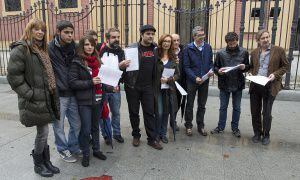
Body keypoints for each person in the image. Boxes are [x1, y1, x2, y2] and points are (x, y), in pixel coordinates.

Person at [7, 18, 60, 177]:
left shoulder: (42, 49)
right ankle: (39, 164)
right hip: (35, 98)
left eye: (42, 30)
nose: (40, 32)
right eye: (36, 29)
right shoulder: (22, 49)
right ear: (29, 30)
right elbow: (14, 77)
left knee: (44, 130)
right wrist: (30, 94)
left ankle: (46, 161)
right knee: (43, 131)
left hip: (47, 96)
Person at [68, 35, 110, 167]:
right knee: (85, 130)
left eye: (92, 44)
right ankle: (86, 153)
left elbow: (103, 80)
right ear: (82, 46)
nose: (90, 47)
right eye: (86, 44)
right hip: (84, 101)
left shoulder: (98, 61)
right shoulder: (77, 62)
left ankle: (96, 150)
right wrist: (90, 82)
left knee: (95, 127)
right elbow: (73, 83)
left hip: (98, 99)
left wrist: (110, 86)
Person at [123, 24, 162, 150]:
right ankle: (136, 135)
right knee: (134, 112)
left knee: (149, 113)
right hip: (132, 86)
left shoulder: (156, 48)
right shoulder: (131, 48)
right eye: (148, 34)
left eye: (152, 34)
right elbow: (124, 68)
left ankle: (152, 139)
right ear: (141, 35)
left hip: (148, 87)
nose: (150, 36)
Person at [48, 20, 81, 163]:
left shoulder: (75, 47)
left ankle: (73, 146)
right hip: (58, 94)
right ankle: (62, 149)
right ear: (58, 32)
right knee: (58, 125)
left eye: (71, 32)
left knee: (77, 124)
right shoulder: (49, 48)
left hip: (73, 93)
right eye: (66, 32)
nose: (69, 35)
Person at [249, 30, 288, 145]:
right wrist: (251, 73)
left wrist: (275, 75)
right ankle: (257, 133)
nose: (266, 40)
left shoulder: (279, 50)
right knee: (255, 111)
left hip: (270, 85)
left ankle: (266, 134)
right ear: (258, 40)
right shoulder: (254, 52)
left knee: (266, 112)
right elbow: (252, 67)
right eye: (263, 38)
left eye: (267, 37)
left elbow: (285, 66)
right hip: (256, 84)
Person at [211, 32, 250, 137]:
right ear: (227, 43)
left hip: (238, 83)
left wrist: (244, 67)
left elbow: (248, 66)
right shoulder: (220, 53)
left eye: (234, 43)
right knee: (223, 107)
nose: (232, 45)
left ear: (237, 41)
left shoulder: (244, 52)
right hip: (224, 83)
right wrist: (218, 71)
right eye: (230, 44)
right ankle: (220, 127)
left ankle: (235, 128)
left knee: (237, 107)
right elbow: (215, 67)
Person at [183, 26, 213, 136]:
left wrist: (211, 70)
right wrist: (194, 77)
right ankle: (188, 125)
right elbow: (186, 66)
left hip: (204, 80)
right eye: (199, 35)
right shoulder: (188, 48)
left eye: (203, 35)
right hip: (192, 81)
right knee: (189, 104)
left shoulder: (208, 47)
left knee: (202, 105)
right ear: (194, 36)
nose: (202, 38)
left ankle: (200, 125)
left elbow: (210, 63)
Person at [155, 34, 180, 143]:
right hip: (157, 89)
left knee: (166, 112)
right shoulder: (155, 56)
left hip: (169, 89)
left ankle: (163, 134)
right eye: (164, 41)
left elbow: (178, 75)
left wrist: (169, 79)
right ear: (161, 42)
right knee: (159, 112)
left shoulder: (174, 57)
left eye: (169, 41)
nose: (166, 43)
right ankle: (156, 134)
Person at [171, 33, 185, 131]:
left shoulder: (184, 51)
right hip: (169, 81)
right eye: (174, 40)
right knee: (169, 103)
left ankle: (173, 120)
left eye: (178, 40)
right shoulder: (166, 51)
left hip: (181, 82)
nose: (176, 42)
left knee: (178, 103)